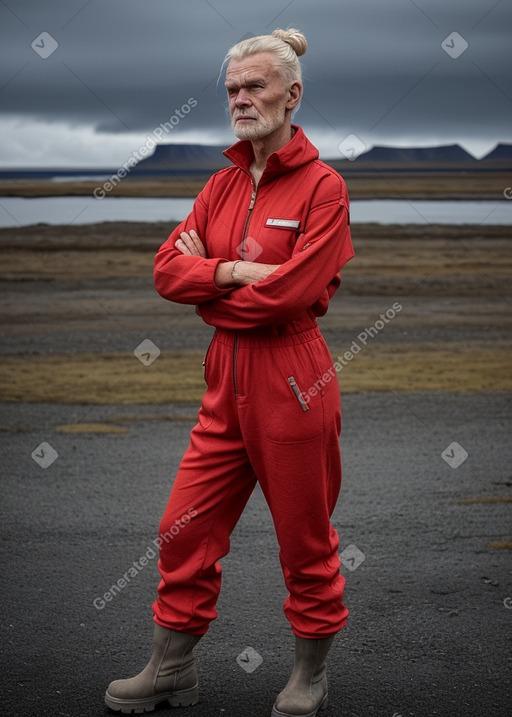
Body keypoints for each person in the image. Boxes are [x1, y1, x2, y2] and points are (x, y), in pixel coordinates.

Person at [105, 27, 354, 717]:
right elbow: (165, 271)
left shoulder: (323, 188)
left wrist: (208, 286)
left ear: (291, 94)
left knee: (305, 537)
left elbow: (294, 294)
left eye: (255, 87)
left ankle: (309, 673)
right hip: (225, 379)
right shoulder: (218, 186)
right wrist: (237, 269)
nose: (241, 100)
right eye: (232, 90)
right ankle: (169, 667)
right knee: (183, 525)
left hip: (294, 375)